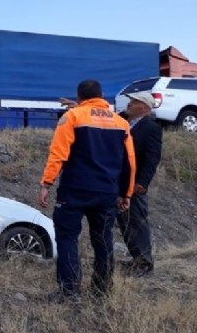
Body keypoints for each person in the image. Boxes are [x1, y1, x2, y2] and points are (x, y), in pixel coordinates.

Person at [39, 79, 136, 302]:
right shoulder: (121, 124)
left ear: (80, 97)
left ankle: (70, 291)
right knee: (103, 240)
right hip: (107, 193)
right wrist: (126, 193)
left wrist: (46, 184)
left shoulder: (72, 117)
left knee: (67, 238)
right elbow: (130, 162)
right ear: (102, 97)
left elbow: (58, 154)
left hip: (75, 190)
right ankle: (102, 291)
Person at [116, 92, 162, 277]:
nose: (129, 104)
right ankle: (137, 258)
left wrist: (143, 182)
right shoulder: (124, 121)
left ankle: (144, 263)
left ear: (144, 107)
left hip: (135, 184)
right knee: (124, 221)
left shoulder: (151, 127)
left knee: (137, 222)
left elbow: (152, 157)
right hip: (120, 181)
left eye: (134, 101)